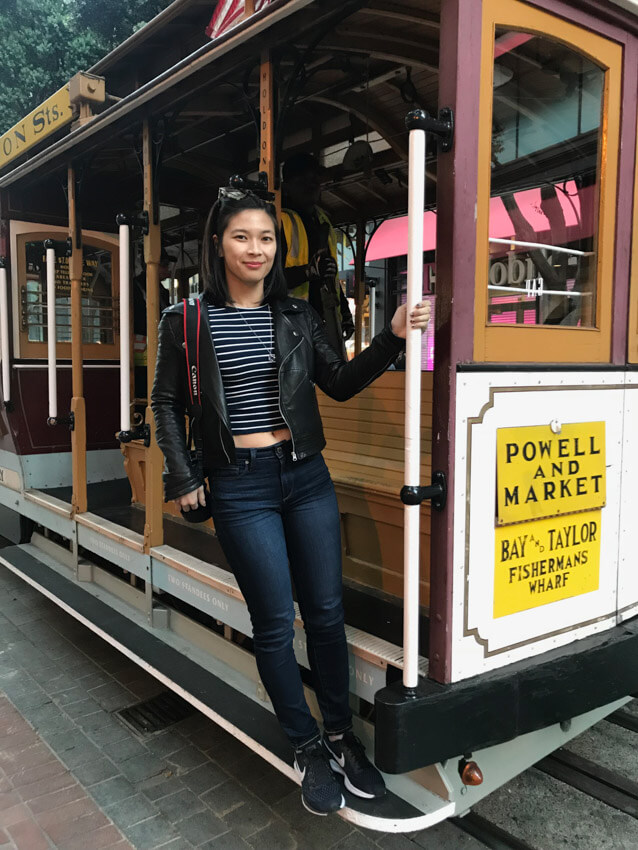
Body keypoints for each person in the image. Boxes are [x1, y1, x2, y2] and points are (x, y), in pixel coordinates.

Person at [151, 191, 430, 816]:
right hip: (239, 484)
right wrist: (182, 473)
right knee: (276, 621)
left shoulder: (298, 315)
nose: (256, 249)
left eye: (267, 239)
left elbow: (339, 382)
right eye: (243, 237)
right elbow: (164, 403)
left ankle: (340, 735)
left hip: (306, 475)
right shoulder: (186, 320)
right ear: (218, 244)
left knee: (328, 614)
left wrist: (388, 338)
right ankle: (305, 745)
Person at [281, 153, 354, 358]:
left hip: (323, 322)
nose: (311, 184)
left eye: (315, 179)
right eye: (303, 180)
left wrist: (345, 314)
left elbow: (329, 274)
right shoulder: (278, 222)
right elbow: (267, 280)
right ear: (286, 186)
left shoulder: (323, 221)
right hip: (290, 327)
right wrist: (309, 271)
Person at [133, 248, 173, 400]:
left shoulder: (162, 290)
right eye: (164, 265)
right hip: (139, 347)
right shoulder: (135, 287)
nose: (167, 269)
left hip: (157, 344)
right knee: (143, 378)